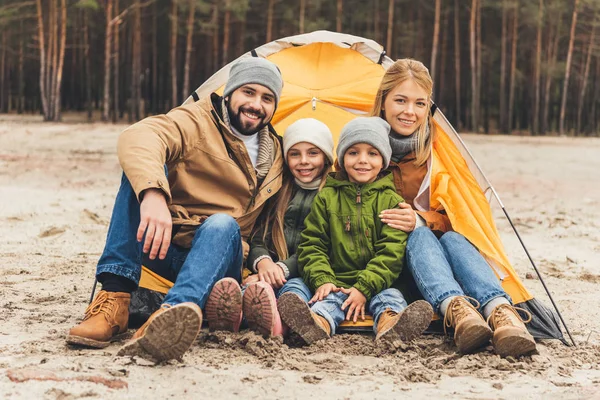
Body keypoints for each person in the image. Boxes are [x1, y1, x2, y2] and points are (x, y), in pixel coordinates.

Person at [65, 57, 285, 362]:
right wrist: (153, 194)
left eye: (267, 98)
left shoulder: (278, 155)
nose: (256, 104)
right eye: (248, 92)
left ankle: (171, 317)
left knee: (222, 224)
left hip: (221, 254)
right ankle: (114, 300)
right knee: (139, 173)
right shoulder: (196, 121)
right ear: (230, 92)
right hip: (163, 241)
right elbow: (139, 136)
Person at [372, 58, 537, 358]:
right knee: (420, 237)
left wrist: (421, 219)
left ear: (428, 108)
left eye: (420, 103)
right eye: (400, 100)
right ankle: (456, 310)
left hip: (445, 261)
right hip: (393, 263)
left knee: (454, 238)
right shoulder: (362, 150)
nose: (410, 112)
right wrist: (414, 228)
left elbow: (463, 219)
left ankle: (500, 311)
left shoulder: (439, 153)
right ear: (382, 101)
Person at [280, 117, 433, 345]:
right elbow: (312, 245)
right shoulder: (327, 198)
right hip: (337, 280)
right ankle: (317, 324)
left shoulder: (392, 202)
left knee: (389, 300)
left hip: (380, 283)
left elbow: (391, 254)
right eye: (353, 153)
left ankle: (391, 327)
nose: (363, 160)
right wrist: (323, 280)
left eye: (372, 153)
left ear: (384, 160)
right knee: (329, 302)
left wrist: (364, 287)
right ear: (341, 159)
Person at [203, 118, 334, 338]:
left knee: (294, 292)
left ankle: (278, 324)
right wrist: (262, 261)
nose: (303, 161)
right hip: (268, 268)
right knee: (255, 288)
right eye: (294, 154)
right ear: (285, 157)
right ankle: (232, 315)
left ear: (326, 157)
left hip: (309, 272)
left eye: (313, 153)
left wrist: (283, 268)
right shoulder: (278, 189)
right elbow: (258, 235)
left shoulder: (333, 195)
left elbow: (326, 248)